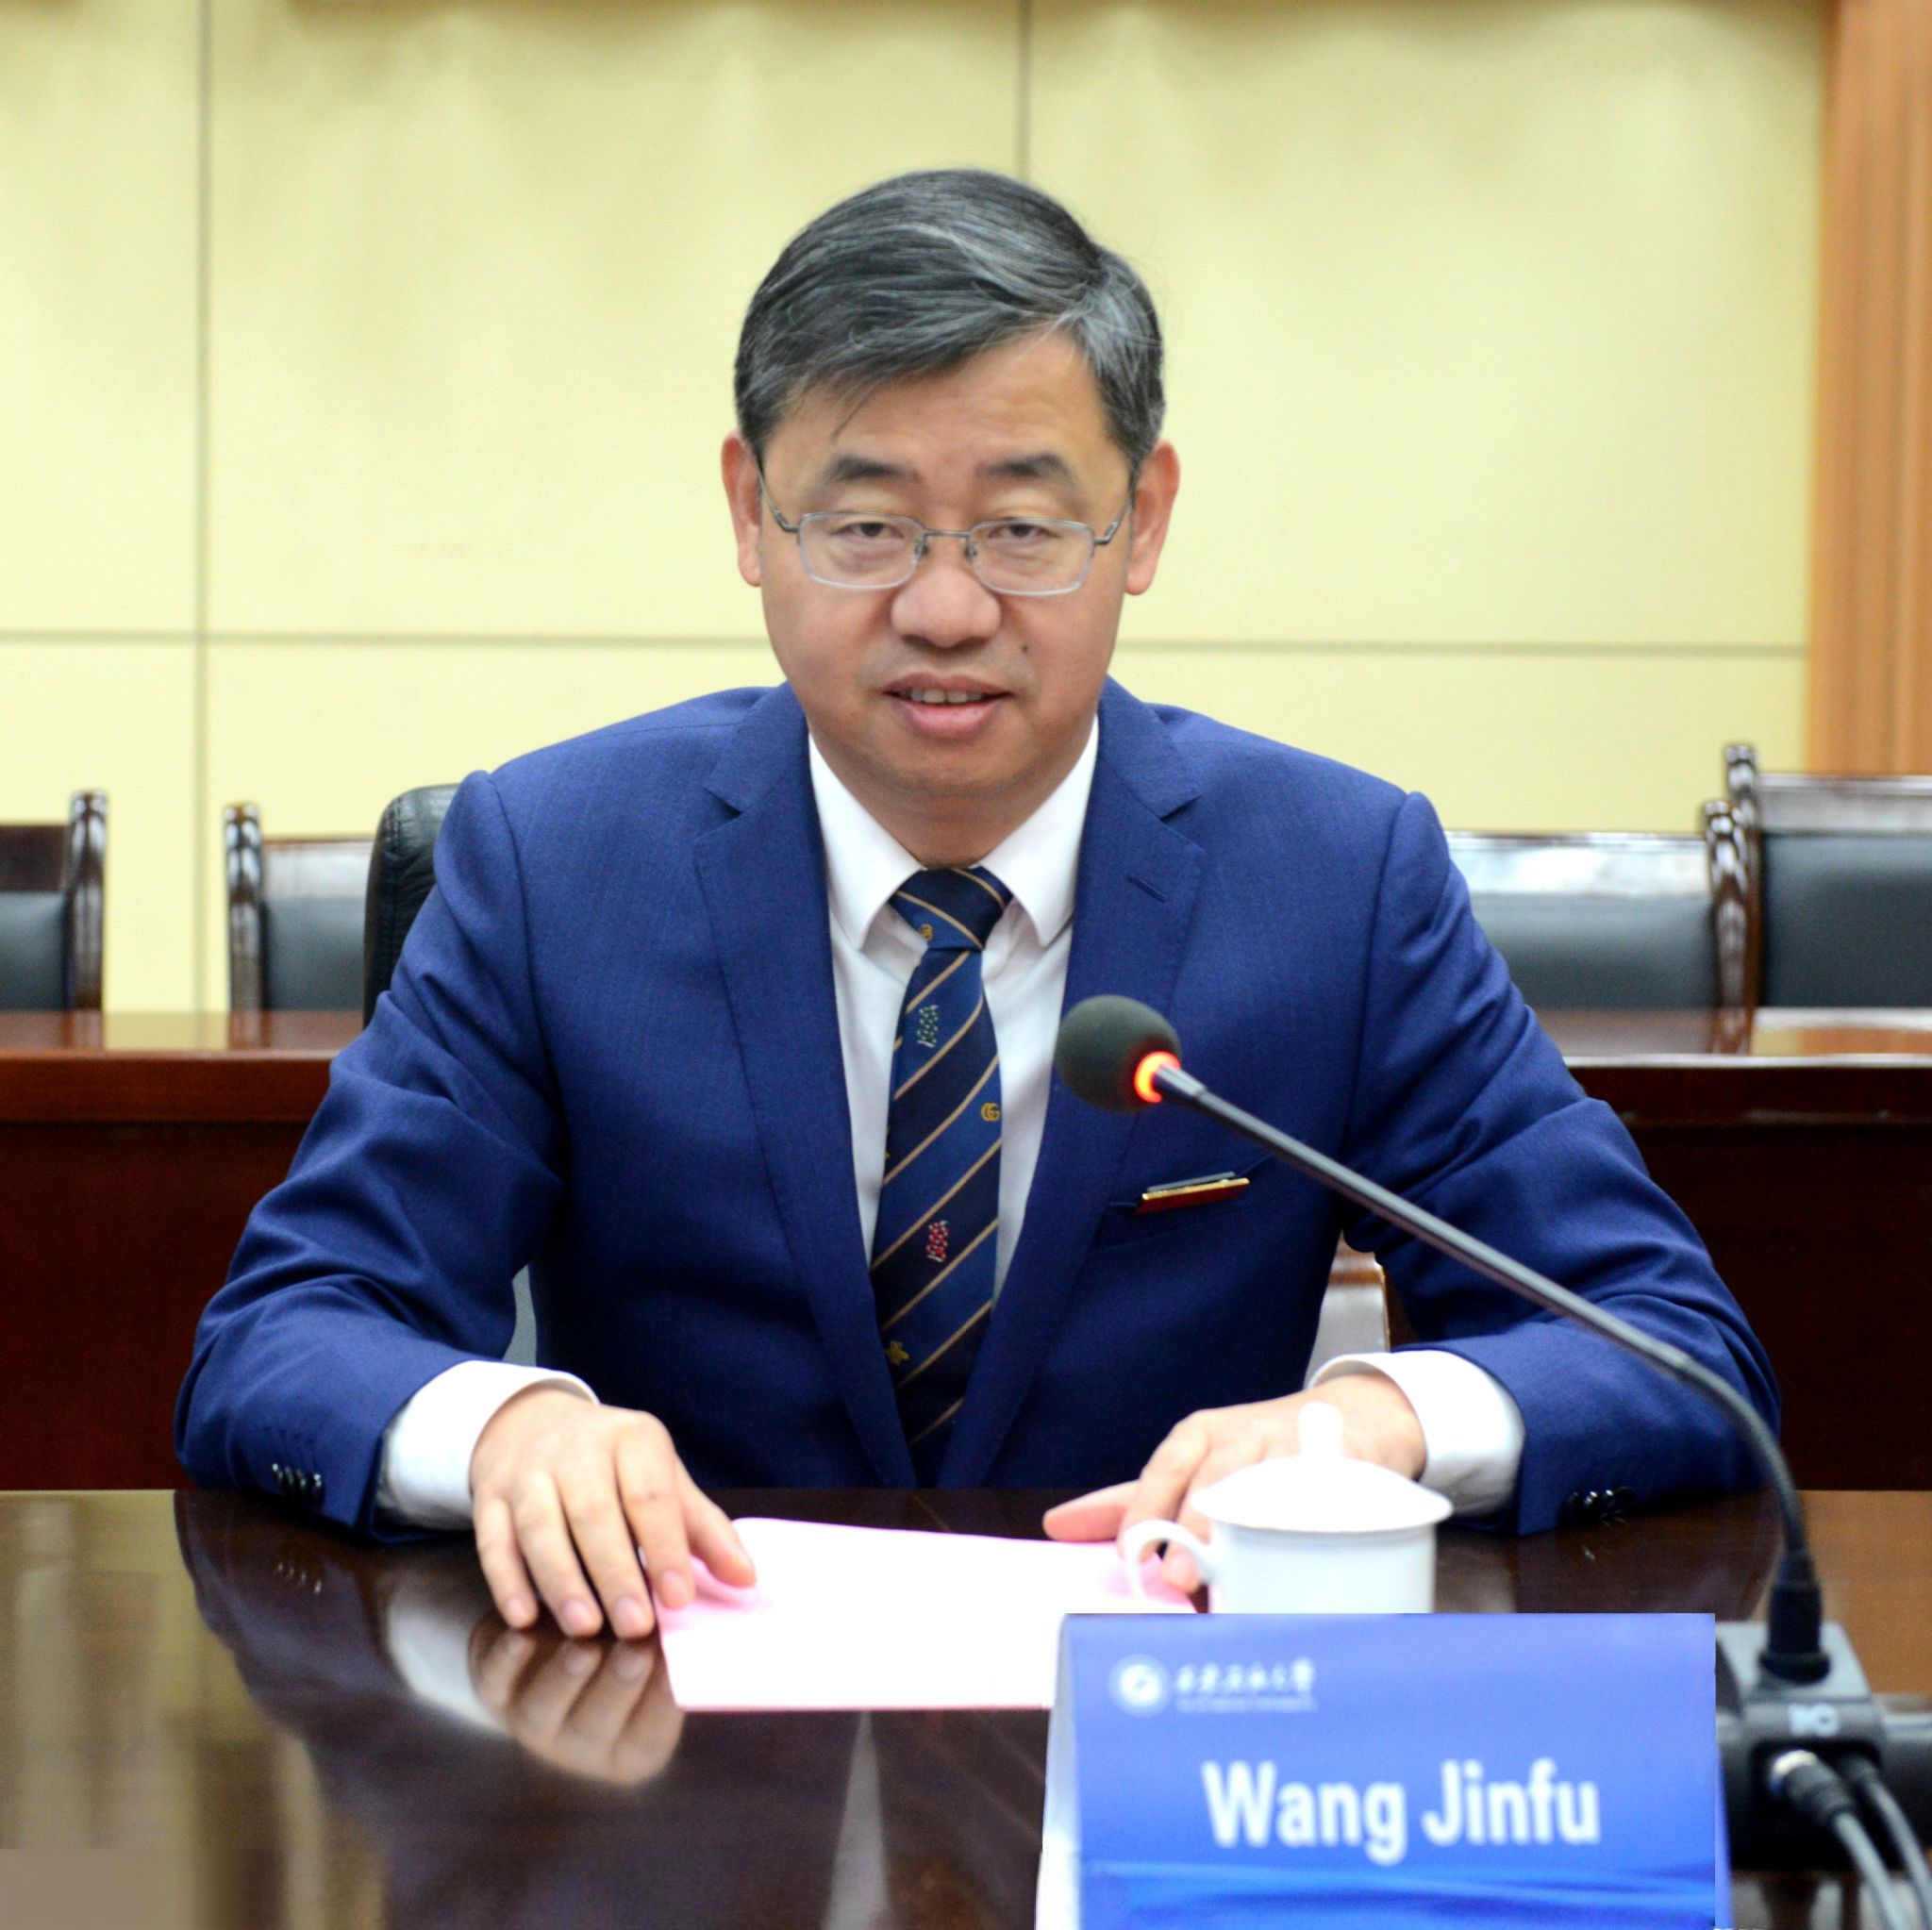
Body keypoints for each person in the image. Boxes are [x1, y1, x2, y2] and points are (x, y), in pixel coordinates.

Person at [176, 168, 1777, 1644]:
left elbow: (1669, 1341)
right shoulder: (557, 862)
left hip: (1165, 1731)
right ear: (748, 511)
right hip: (671, 1745)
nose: (945, 607)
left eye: (1021, 527)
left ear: (1143, 519)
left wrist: (1373, 1420)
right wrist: (505, 1427)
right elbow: (288, 1329)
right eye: (866, 525)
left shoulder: (1336, 879)